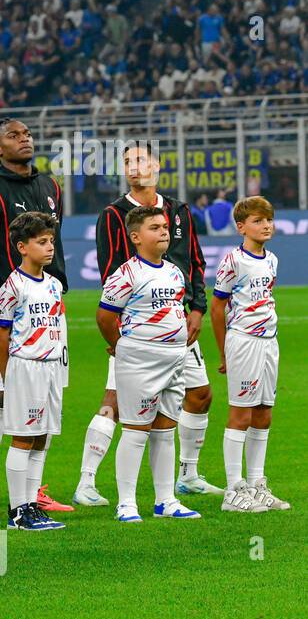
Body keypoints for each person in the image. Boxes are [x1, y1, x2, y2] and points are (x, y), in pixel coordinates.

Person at [76, 143, 220, 507]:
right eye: (127, 162)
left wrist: (198, 309)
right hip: (138, 329)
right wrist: (122, 333)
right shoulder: (114, 215)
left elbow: (195, 263)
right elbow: (110, 272)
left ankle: (187, 476)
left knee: (200, 395)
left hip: (179, 323)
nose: (133, 166)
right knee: (116, 402)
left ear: (157, 165)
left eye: (140, 159)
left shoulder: (180, 212)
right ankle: (87, 481)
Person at [0, 118, 71, 518]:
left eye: (26, 134)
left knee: (46, 397)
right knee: (0, 394)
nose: (24, 139)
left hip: (49, 309)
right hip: (6, 310)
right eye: (13, 136)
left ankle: (35, 490)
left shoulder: (50, 186)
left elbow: (55, 250)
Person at [96, 206, 201, 523]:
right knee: (135, 429)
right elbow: (104, 316)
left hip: (174, 359)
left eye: (166, 226)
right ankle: (126, 503)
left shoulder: (173, 271)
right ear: (136, 237)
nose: (165, 231)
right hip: (139, 359)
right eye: (155, 227)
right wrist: (120, 346)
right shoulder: (126, 274)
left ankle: (165, 500)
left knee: (166, 430)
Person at [212, 196, 291, 511]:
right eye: (258, 221)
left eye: (269, 220)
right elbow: (217, 308)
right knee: (241, 413)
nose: (266, 225)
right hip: (243, 341)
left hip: (269, 341)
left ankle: (257, 484)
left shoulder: (272, 259)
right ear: (241, 226)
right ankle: (233, 490)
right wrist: (224, 352)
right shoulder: (233, 260)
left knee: (263, 413)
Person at [0, 212, 68, 531]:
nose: (49, 247)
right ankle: (17, 511)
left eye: (51, 241)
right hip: (26, 366)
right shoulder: (13, 285)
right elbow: (1, 334)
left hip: (50, 367)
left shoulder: (53, 284)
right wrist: (9, 374)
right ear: (22, 247)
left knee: (41, 438)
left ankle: (32, 505)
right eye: (42, 242)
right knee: (23, 438)